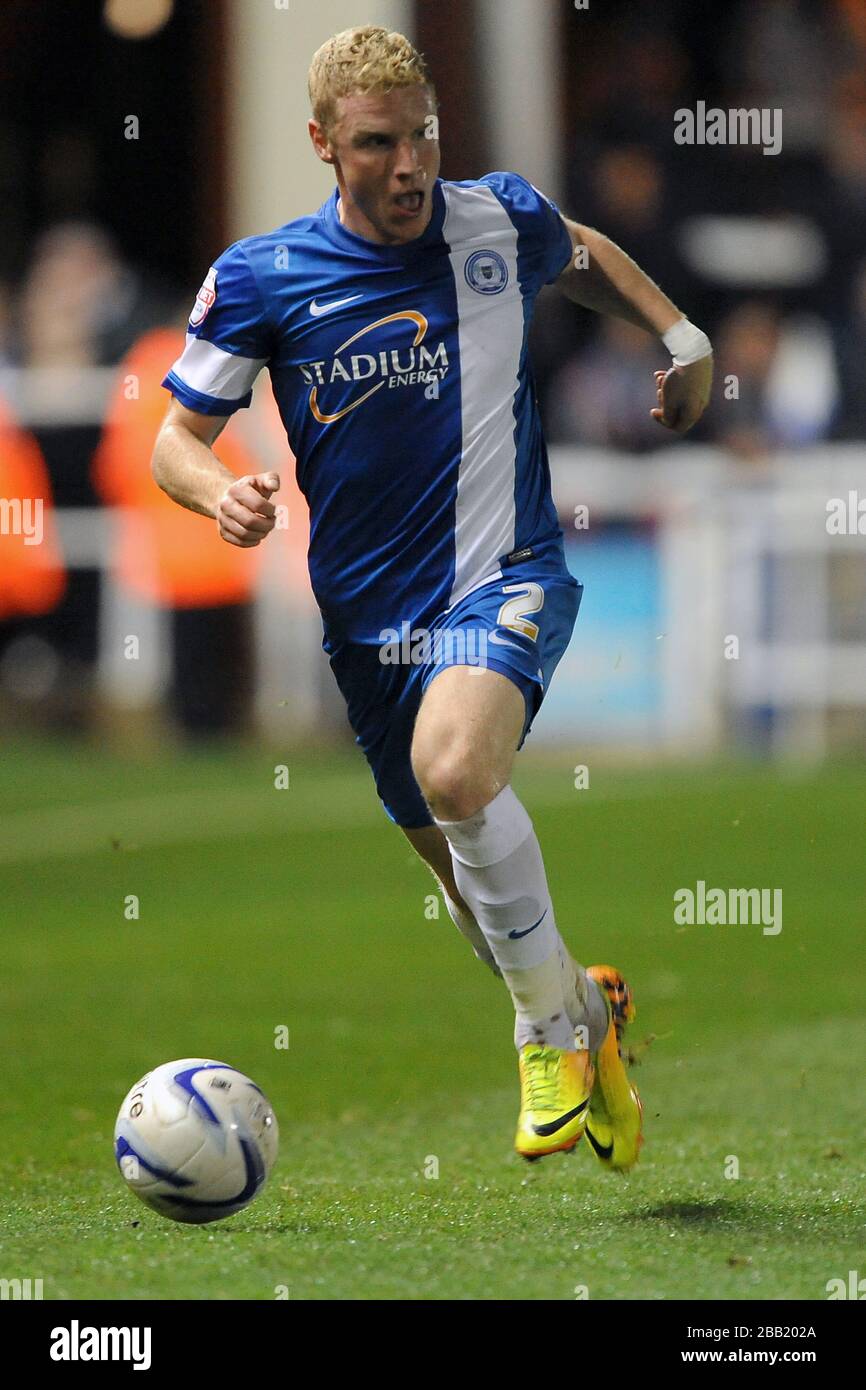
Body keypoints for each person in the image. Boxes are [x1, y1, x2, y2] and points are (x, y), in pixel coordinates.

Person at [151, 25, 712, 1166]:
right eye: (376, 144)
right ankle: (584, 1011)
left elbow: (581, 251)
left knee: (456, 771)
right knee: (465, 877)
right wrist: (218, 494)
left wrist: (681, 334)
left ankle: (548, 1031)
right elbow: (175, 436)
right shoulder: (263, 276)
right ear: (321, 143)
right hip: (368, 628)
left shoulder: (491, 217)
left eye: (422, 137)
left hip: (505, 571)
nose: (408, 166)